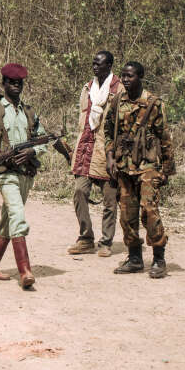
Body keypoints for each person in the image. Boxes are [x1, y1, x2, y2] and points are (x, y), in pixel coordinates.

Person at [0, 63, 51, 290]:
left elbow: (42, 139)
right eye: (12, 82)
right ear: (4, 83)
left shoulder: (29, 112)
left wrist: (32, 151)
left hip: (26, 174)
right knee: (17, 215)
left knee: (8, 218)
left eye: (20, 83)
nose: (16, 86)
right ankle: (25, 271)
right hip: (6, 175)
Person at [103, 61, 175, 278]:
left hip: (148, 166)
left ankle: (159, 258)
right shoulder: (117, 101)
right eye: (123, 76)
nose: (125, 80)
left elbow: (165, 137)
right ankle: (135, 258)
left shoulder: (153, 103)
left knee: (149, 211)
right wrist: (109, 157)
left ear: (140, 77)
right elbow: (108, 131)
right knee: (127, 214)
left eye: (130, 76)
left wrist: (166, 170)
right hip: (124, 166)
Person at [68, 50, 125, 257]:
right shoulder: (87, 88)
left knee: (110, 199)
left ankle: (106, 242)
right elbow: (83, 119)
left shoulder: (119, 89)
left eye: (99, 64)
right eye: (93, 63)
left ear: (109, 65)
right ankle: (85, 238)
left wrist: (118, 154)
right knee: (79, 192)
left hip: (107, 151)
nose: (95, 67)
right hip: (85, 149)